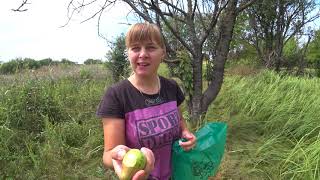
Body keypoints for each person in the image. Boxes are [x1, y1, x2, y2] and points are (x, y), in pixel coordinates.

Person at [96, 22, 196, 180]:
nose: (142, 54)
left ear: (162, 52)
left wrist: (185, 133)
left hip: (176, 173)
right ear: (128, 53)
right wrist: (120, 156)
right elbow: (108, 155)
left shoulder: (171, 87)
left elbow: (180, 120)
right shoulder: (116, 95)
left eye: (150, 47)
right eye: (135, 48)